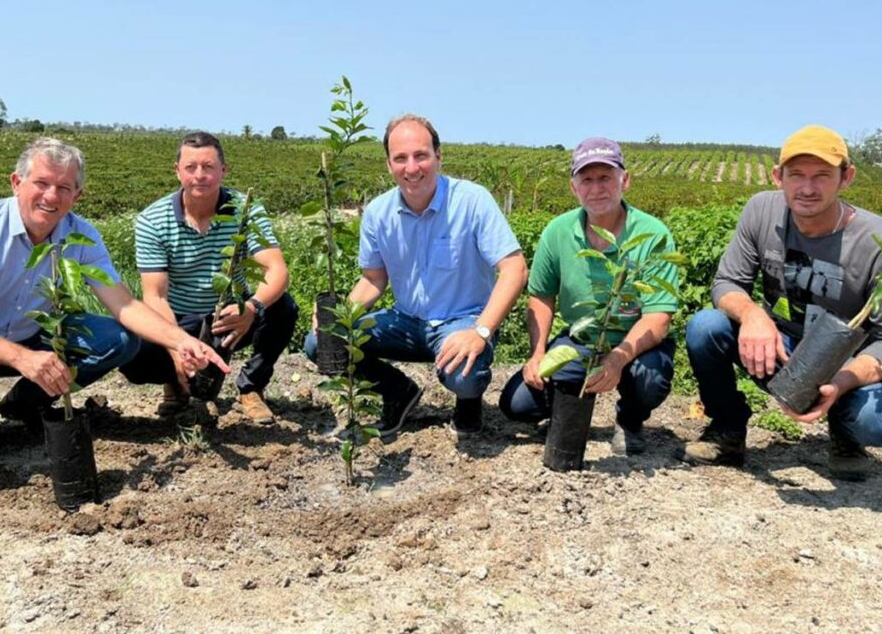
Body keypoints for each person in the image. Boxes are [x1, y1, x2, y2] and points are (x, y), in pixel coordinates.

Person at [0, 138, 228, 459]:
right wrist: (23, 359)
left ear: (76, 195)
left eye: (64, 187)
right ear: (16, 183)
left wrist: (181, 341)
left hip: (32, 334)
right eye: (41, 183)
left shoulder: (80, 234)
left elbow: (123, 304)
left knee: (119, 339)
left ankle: (27, 403)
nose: (51, 196)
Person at [683, 125, 882, 480]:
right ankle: (728, 429)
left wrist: (841, 382)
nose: (807, 188)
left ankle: (846, 432)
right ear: (778, 176)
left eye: (822, 175)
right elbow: (727, 282)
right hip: (784, 350)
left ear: (846, 177)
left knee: (877, 422)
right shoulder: (762, 211)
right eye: (796, 175)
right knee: (706, 328)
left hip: (848, 362)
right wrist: (752, 316)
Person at [306, 114, 527, 437]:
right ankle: (398, 391)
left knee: (464, 377)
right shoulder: (379, 213)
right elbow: (373, 279)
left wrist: (480, 331)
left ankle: (469, 400)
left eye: (421, 155)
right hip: (405, 322)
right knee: (322, 343)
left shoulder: (471, 201)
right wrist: (340, 316)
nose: (412, 168)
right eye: (401, 158)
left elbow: (514, 269)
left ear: (438, 156)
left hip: (462, 322)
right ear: (389, 165)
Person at [498, 138, 679, 454]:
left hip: (636, 343)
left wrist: (617, 359)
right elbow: (541, 297)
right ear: (574, 187)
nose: (597, 188)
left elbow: (658, 318)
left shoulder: (652, 234)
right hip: (582, 340)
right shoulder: (558, 232)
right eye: (587, 179)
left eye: (606, 177)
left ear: (625, 180)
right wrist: (538, 352)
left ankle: (630, 419)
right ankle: (566, 409)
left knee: (649, 379)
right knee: (518, 403)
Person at [119, 132, 298, 423]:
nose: (199, 176)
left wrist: (251, 308)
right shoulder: (153, 220)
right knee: (135, 350)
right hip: (180, 319)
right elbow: (155, 296)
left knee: (282, 307)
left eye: (209, 167)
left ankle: (252, 385)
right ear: (177, 170)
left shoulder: (245, 209)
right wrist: (176, 346)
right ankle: (175, 382)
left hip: (230, 316)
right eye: (191, 167)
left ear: (223, 171)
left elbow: (276, 269)